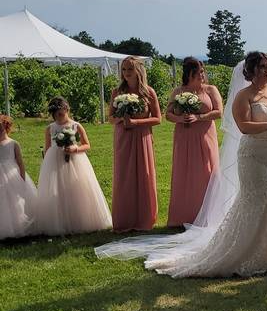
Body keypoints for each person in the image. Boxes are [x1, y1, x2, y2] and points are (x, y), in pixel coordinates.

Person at [96, 52, 267, 278]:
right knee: (254, 201)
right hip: (255, 155)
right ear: (251, 71)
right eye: (263, 67)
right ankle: (250, 251)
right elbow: (244, 126)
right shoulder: (244, 96)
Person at [33, 97, 112, 236]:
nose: (59, 116)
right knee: (57, 189)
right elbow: (47, 148)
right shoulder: (50, 128)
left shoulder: (76, 125)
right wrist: (47, 164)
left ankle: (79, 220)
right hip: (55, 161)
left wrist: (75, 149)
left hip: (76, 162)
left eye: (61, 113)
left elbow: (87, 145)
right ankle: (60, 221)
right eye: (56, 114)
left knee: (77, 189)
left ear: (67, 110)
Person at [165, 57, 223, 227]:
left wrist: (199, 117)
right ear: (189, 74)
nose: (202, 75)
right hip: (184, 136)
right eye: (198, 72)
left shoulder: (211, 90)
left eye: (203, 71)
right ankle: (183, 215)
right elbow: (167, 114)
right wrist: (180, 118)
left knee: (206, 171)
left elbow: (219, 112)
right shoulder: (178, 91)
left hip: (205, 135)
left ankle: (207, 214)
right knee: (184, 171)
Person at [109, 56, 161, 232]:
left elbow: (157, 118)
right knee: (124, 176)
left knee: (144, 175)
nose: (126, 73)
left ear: (138, 70)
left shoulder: (148, 92)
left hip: (142, 137)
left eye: (129, 69)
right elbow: (110, 117)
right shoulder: (116, 92)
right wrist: (121, 119)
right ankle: (125, 218)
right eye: (123, 69)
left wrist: (136, 123)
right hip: (123, 137)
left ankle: (144, 218)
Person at [0, 114, 37, 239]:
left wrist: (22, 178)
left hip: (12, 175)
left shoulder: (13, 143)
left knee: (15, 200)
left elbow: (20, 162)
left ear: (6, 127)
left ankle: (18, 225)